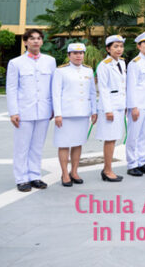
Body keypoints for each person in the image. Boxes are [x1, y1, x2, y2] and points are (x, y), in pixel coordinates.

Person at [6, 28, 56, 192]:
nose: (36, 41)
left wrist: (54, 108)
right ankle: (21, 179)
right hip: (24, 111)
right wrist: (14, 112)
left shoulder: (50, 61)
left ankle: (35, 176)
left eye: (39, 38)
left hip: (43, 110)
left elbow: (52, 87)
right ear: (25, 42)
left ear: (42, 41)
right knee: (22, 147)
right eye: (32, 38)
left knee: (37, 146)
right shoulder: (16, 63)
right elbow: (11, 89)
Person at [50, 42, 96, 187]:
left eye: (81, 53)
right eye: (75, 53)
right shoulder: (61, 71)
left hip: (83, 113)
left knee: (78, 143)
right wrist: (58, 114)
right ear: (69, 55)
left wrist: (94, 111)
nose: (78, 56)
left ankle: (74, 171)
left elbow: (92, 92)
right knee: (64, 144)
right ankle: (64, 173)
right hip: (66, 114)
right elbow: (56, 94)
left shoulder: (88, 71)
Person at [96, 34, 127, 182]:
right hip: (110, 108)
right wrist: (108, 110)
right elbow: (103, 88)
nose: (119, 49)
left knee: (114, 138)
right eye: (115, 46)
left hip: (119, 106)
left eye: (121, 46)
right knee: (109, 139)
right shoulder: (104, 65)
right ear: (108, 49)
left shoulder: (121, 63)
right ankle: (107, 170)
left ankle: (107, 169)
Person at [125, 31, 145, 177]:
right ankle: (132, 164)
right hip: (138, 105)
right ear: (139, 46)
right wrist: (133, 107)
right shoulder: (134, 64)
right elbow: (131, 86)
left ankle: (142, 161)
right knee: (134, 135)